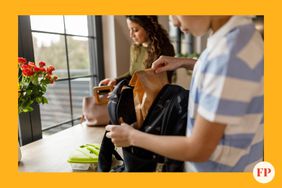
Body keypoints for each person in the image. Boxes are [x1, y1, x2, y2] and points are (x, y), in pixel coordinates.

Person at [105, 16, 264, 172]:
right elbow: (221, 76)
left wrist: (133, 137)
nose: (173, 21)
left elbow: (199, 149)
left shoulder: (228, 55)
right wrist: (186, 62)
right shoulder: (241, 35)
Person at [99, 16, 175, 86]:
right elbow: (132, 74)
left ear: (148, 28)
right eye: (129, 29)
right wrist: (115, 80)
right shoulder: (135, 48)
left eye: (135, 30)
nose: (131, 34)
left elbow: (163, 82)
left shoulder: (164, 49)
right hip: (138, 95)